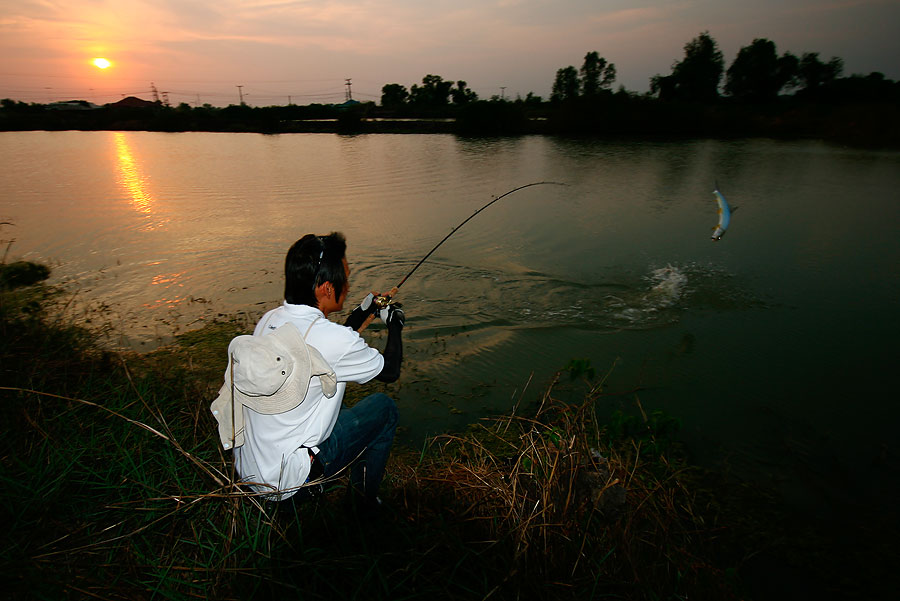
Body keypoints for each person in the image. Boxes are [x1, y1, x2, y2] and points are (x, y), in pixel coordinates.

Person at [210, 232, 405, 513]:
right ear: (327, 288)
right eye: (345, 279)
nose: (348, 286)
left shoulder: (270, 320)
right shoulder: (334, 340)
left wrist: (363, 313)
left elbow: (323, 345)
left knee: (336, 404)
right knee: (384, 409)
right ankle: (364, 505)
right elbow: (389, 372)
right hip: (289, 486)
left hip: (252, 473)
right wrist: (395, 324)